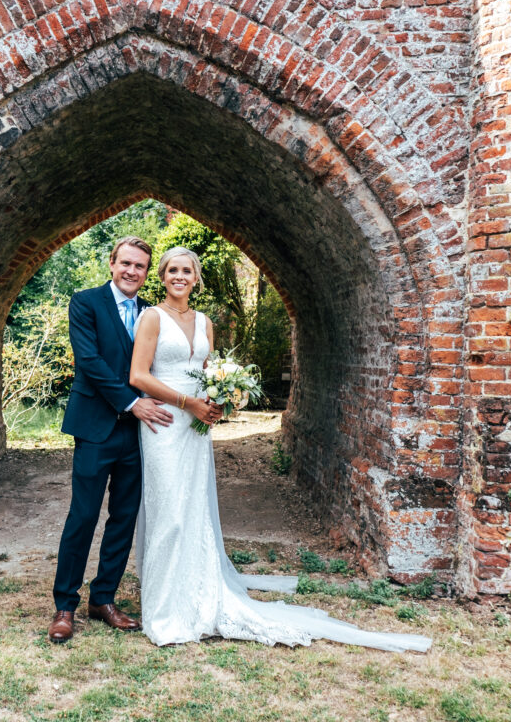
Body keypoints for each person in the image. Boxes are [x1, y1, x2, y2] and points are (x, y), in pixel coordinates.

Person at [129, 246, 433, 652]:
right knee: (169, 510)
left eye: (186, 270)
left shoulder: (204, 322)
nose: (179, 277)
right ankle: (165, 605)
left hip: (197, 424)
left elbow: (207, 372)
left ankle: (199, 589)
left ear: (195, 278)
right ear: (162, 277)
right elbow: (138, 375)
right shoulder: (152, 317)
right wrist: (187, 403)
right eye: (172, 271)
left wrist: (220, 398)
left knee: (195, 508)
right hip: (165, 422)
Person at [48, 236, 176, 644]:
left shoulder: (149, 313)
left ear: (145, 272)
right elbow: (90, 363)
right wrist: (131, 402)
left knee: (124, 516)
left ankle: (103, 599)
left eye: (139, 266)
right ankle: (65, 605)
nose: (131, 271)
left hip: (139, 434)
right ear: (112, 263)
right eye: (125, 263)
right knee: (83, 516)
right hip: (96, 426)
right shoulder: (85, 302)